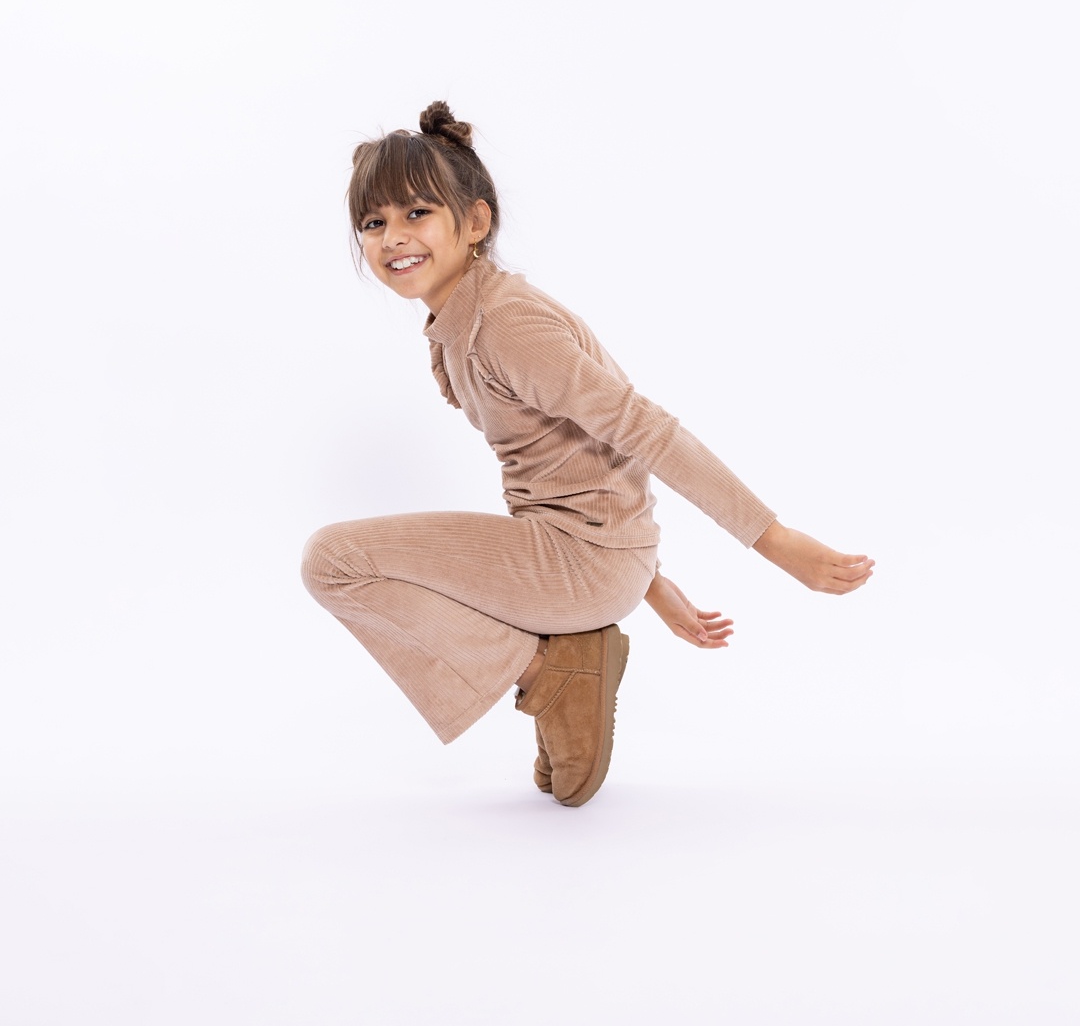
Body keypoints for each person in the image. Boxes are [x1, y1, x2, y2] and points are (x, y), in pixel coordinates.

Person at [301, 101, 874, 807]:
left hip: (585, 561)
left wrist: (777, 542)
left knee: (334, 561)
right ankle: (561, 662)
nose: (393, 237)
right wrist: (651, 584)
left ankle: (550, 674)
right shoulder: (457, 326)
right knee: (364, 564)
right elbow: (574, 464)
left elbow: (645, 430)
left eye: (417, 213)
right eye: (372, 222)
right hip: (586, 556)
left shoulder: (504, 324)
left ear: (475, 222)